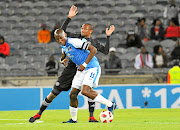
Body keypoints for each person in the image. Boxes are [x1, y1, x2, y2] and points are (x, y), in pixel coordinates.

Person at [29, 5, 115, 123]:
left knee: (86, 90)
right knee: (71, 94)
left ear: (90, 31)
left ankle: (99, 111)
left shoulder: (85, 42)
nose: (82, 30)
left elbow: (103, 51)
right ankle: (72, 119)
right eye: (81, 28)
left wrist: (108, 36)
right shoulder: (73, 38)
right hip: (74, 67)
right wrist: (69, 18)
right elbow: (61, 34)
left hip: (88, 66)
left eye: (85, 29)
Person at [54, 28, 116, 123]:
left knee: (85, 91)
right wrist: (62, 60)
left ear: (65, 36)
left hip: (91, 67)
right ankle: (74, 119)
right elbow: (63, 55)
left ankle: (110, 104)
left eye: (61, 38)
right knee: (73, 94)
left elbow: (93, 49)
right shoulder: (63, 46)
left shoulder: (75, 42)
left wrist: (85, 64)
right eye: (57, 39)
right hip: (81, 69)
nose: (60, 41)